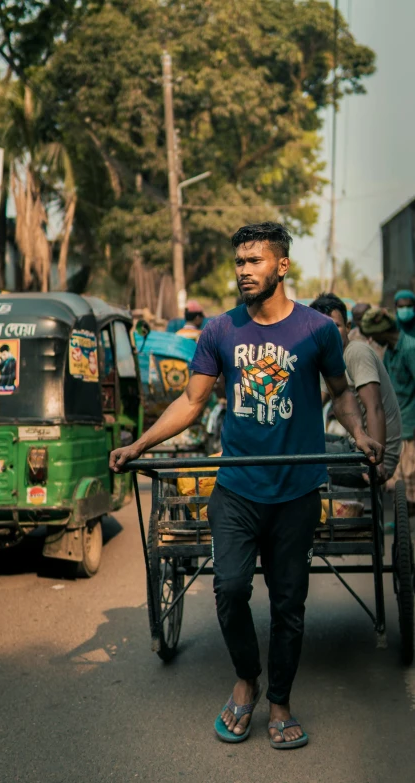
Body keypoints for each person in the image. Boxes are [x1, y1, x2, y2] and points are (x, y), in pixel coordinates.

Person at [110, 221, 382, 749]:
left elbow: (341, 392)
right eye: (239, 262)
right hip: (235, 489)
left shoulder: (316, 331)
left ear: (282, 266)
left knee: (288, 604)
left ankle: (279, 701)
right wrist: (139, 445)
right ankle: (246, 679)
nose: (244, 271)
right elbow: (191, 403)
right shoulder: (219, 330)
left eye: (254, 261)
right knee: (230, 590)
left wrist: (361, 434)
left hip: (298, 490)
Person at [310, 293, 401, 486]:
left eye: (335, 326)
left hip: (372, 453)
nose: (329, 333)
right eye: (321, 328)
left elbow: (374, 407)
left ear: (348, 327)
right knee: (297, 440)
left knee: (297, 451)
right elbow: (315, 403)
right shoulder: (332, 360)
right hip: (352, 444)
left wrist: (375, 463)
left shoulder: (356, 352)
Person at [360, 307, 415, 512]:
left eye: (374, 335)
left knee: (409, 476)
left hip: (411, 421)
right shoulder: (391, 352)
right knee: (399, 478)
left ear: (383, 332)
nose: (373, 340)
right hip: (398, 418)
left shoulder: (409, 349)